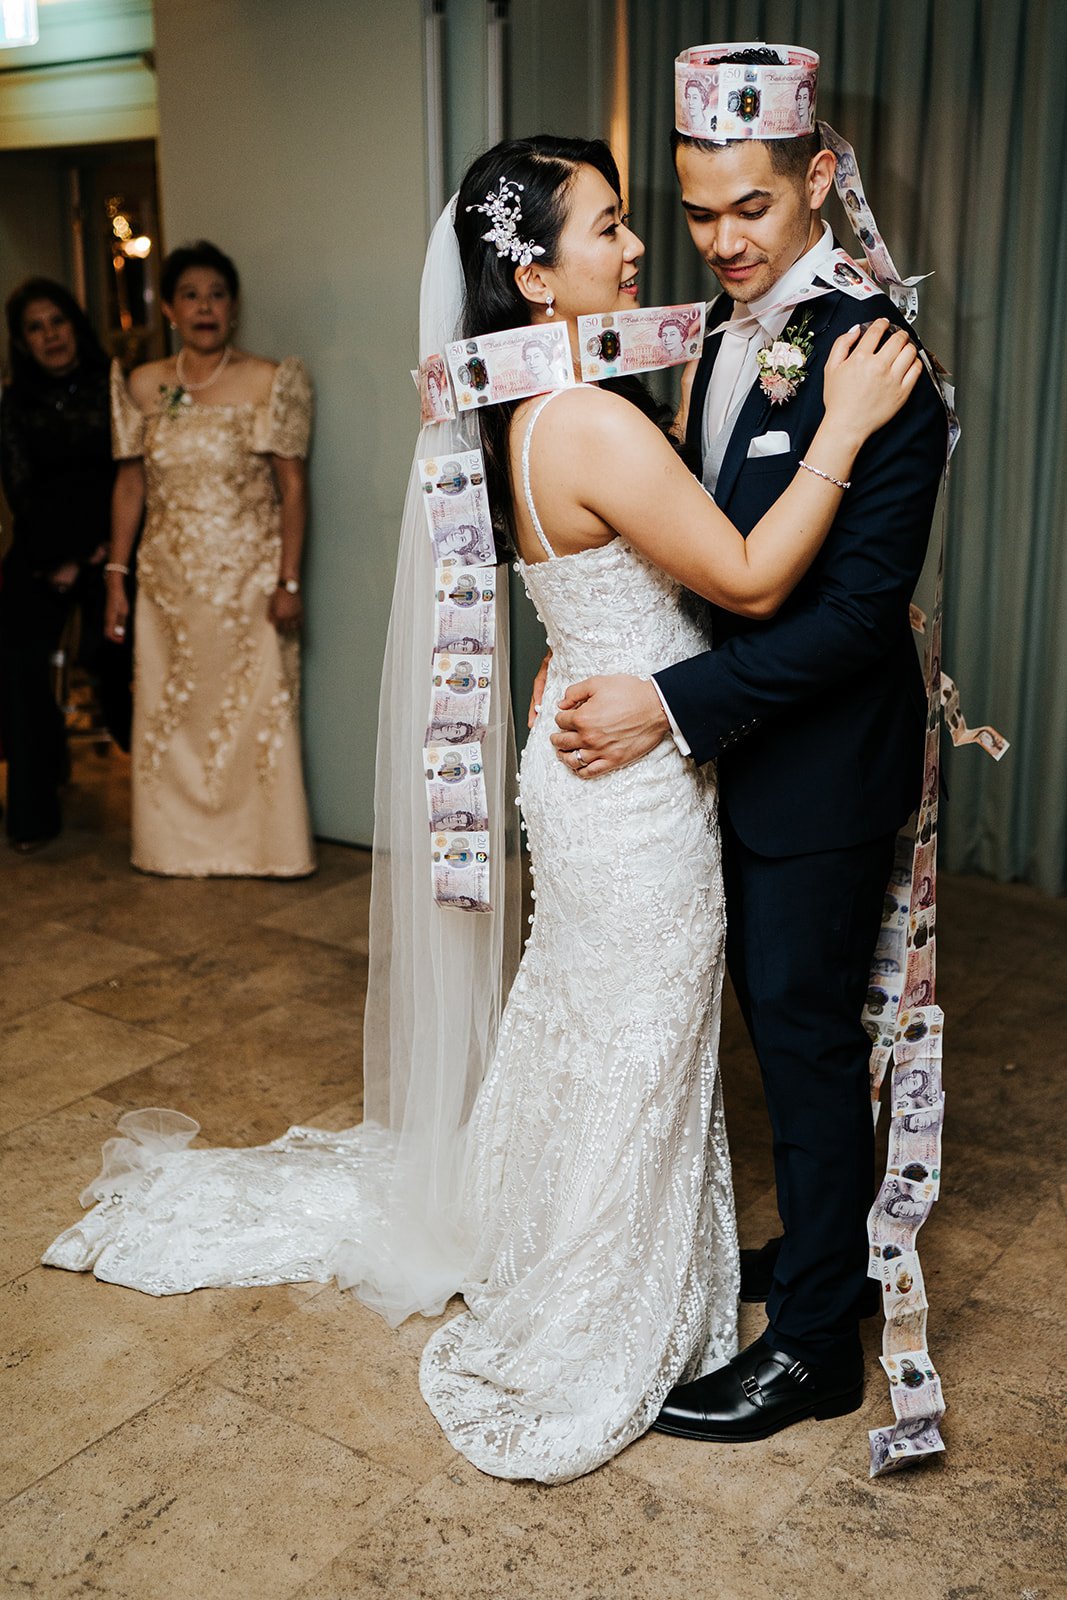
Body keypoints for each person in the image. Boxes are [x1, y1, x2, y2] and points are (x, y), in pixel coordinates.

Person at [43, 137, 918, 1484]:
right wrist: (843, 430)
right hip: (630, 792)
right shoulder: (586, 419)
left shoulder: (530, 400)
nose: (638, 249)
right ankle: (594, 1299)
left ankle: (570, 1241)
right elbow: (741, 580)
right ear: (530, 269)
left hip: (593, 770)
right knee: (631, 1039)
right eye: (610, 226)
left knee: (591, 1024)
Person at [548, 45, 949, 1444]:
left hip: (821, 764)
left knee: (799, 1026)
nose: (716, 240)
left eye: (749, 212)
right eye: (696, 209)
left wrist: (662, 702)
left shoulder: (876, 359)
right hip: (728, 755)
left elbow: (849, 622)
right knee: (775, 1031)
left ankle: (815, 1350)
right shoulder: (723, 325)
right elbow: (697, 535)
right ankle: (819, 1249)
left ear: (817, 180)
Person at [105, 240, 315, 877]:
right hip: (166, 587)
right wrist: (116, 575)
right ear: (169, 307)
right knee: (170, 714)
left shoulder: (270, 380)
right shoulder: (143, 384)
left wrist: (288, 579)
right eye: (191, 295)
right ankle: (171, 848)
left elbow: (294, 489)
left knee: (253, 714)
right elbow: (131, 485)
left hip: (249, 586)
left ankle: (267, 850)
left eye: (217, 295)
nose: (205, 307)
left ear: (233, 306)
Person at [0, 278, 122, 851]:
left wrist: (96, 554)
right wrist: (58, 561)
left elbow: (129, 478)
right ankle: (31, 814)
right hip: (40, 557)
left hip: (112, 550)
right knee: (19, 667)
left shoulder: (113, 386)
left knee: (115, 653)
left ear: (75, 324)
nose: (50, 335)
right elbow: (22, 492)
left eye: (57, 321)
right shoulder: (13, 403)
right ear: (22, 342)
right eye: (35, 327)